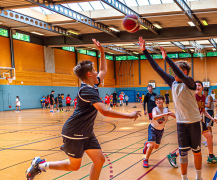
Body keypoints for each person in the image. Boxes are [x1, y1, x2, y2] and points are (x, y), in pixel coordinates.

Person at [26, 38, 141, 180]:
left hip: (86, 132)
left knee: (99, 160)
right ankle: (41, 165)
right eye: (93, 70)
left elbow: (103, 70)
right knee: (74, 166)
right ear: (89, 74)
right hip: (74, 132)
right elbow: (104, 111)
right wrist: (130, 115)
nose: (96, 71)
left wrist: (102, 52)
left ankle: (41, 165)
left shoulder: (93, 85)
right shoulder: (87, 91)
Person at [140, 37, 203, 180]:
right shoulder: (172, 82)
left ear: (185, 72)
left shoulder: (190, 82)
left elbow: (179, 73)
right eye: (174, 72)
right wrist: (145, 51)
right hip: (181, 123)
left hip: (194, 122)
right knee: (182, 153)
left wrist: (167, 58)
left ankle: (199, 177)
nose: (174, 74)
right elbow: (157, 68)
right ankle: (184, 178)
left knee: (197, 152)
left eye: (178, 71)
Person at [143, 95, 175, 168]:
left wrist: (175, 115)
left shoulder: (167, 110)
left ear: (163, 101)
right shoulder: (155, 109)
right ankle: (145, 160)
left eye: (160, 99)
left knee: (156, 147)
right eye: (157, 100)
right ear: (155, 102)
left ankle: (147, 144)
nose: (158, 101)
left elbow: (174, 115)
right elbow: (154, 117)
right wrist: (165, 114)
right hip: (152, 128)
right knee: (151, 146)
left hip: (160, 130)